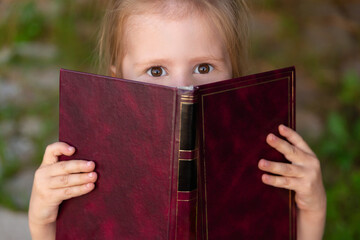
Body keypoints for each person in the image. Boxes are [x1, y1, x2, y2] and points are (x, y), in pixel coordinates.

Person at [28, 0, 327, 239]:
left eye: (204, 67)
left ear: (234, 73)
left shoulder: (254, 156)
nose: (183, 88)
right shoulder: (95, 162)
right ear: (116, 79)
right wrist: (43, 221)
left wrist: (312, 209)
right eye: (156, 71)